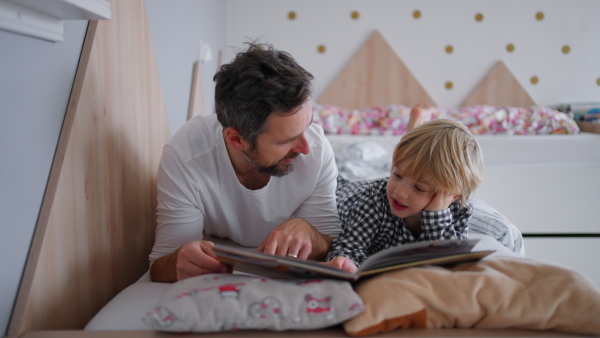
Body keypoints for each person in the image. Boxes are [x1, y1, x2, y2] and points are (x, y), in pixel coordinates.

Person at [149, 42, 342, 282]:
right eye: (287, 140)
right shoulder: (186, 156)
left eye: (307, 125)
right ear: (236, 139)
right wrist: (179, 261)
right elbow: (160, 265)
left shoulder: (317, 149)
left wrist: (311, 235)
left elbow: (332, 244)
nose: (305, 147)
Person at [324, 119, 484, 273]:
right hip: (348, 190)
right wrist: (345, 261)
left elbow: (453, 262)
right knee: (350, 166)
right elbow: (348, 246)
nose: (400, 192)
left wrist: (436, 217)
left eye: (419, 188)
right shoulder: (376, 198)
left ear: (451, 196)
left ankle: (413, 128)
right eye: (397, 175)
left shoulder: (460, 210)